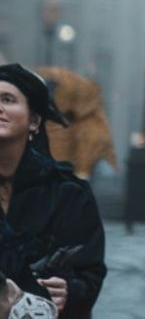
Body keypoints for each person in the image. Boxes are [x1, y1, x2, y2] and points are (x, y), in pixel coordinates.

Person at [0, 64, 105, 318]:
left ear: (35, 120)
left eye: (8, 99)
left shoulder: (69, 194)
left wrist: (71, 291)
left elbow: (89, 271)